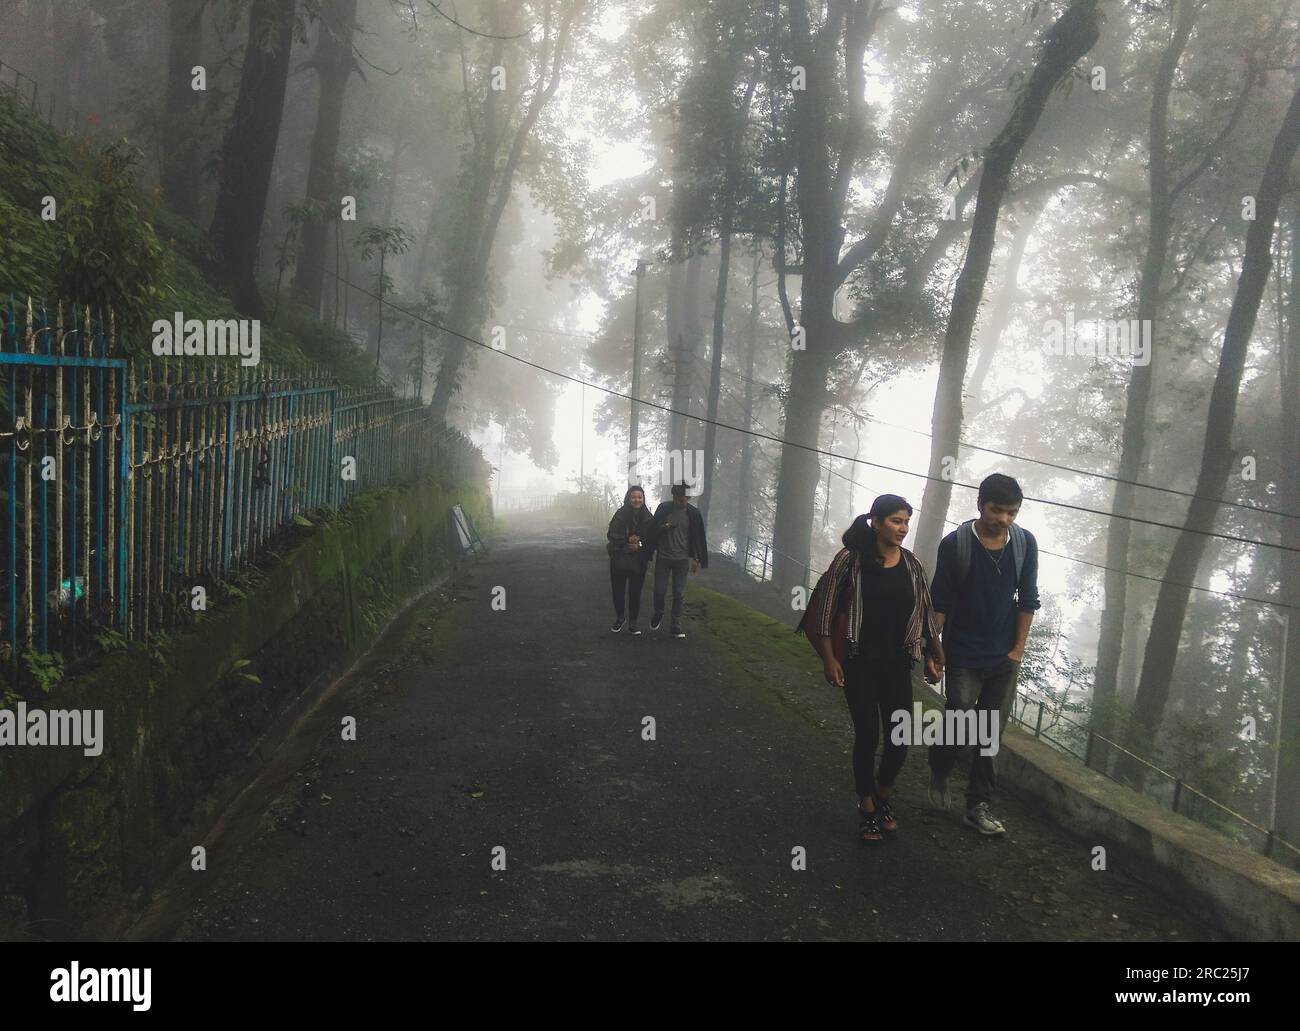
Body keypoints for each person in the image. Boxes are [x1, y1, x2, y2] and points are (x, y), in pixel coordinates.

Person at [799, 495, 944, 844]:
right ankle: (867, 806)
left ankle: (883, 794)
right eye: (896, 520)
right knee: (868, 736)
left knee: (899, 738)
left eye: (906, 522)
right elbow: (823, 609)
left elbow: (924, 613)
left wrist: (934, 653)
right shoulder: (850, 561)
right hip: (858, 660)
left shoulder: (912, 565)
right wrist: (830, 659)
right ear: (876, 522)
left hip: (897, 663)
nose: (903, 528)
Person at [927, 473, 1040, 835]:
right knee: (959, 722)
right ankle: (940, 769)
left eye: (1012, 512)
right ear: (980, 505)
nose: (1004, 519)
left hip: (1003, 656)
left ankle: (977, 806)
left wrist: (1017, 650)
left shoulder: (1024, 544)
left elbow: (1028, 599)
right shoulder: (956, 545)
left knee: (990, 733)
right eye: (997, 510)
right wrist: (934, 648)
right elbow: (940, 601)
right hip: (962, 654)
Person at [646, 482, 708, 638]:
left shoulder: (693, 514)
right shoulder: (664, 509)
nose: (680, 502)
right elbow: (652, 531)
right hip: (664, 557)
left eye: (683, 499)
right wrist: (663, 527)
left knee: (678, 593)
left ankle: (675, 624)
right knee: (660, 590)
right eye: (677, 499)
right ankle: (659, 612)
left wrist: (696, 558)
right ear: (673, 497)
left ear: (688, 498)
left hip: (681, 560)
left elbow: (697, 538)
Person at [606, 485, 656, 634]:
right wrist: (628, 541)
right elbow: (611, 534)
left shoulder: (648, 517)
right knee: (618, 591)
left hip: (639, 560)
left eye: (640, 497)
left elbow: (652, 539)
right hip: (619, 557)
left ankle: (633, 623)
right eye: (634, 497)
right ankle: (620, 618)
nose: (637, 500)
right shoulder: (620, 514)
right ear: (629, 498)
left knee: (635, 592)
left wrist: (639, 545)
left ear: (643, 499)